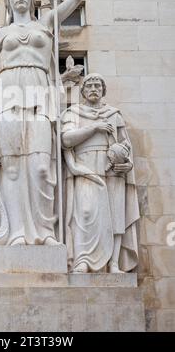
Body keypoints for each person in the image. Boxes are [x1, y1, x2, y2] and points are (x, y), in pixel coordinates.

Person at [0, 0, 82, 247]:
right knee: (10, 167)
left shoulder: (45, 25)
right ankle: (16, 233)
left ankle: (44, 231)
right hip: (6, 94)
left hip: (39, 93)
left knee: (40, 165)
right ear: (8, 1)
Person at [61, 73, 140, 273]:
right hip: (85, 167)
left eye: (97, 85)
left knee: (115, 216)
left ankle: (113, 263)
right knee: (84, 213)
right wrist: (94, 127)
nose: (94, 88)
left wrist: (127, 164)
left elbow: (125, 145)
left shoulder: (114, 114)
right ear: (83, 91)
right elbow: (67, 140)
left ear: (103, 90)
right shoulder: (73, 113)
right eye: (89, 86)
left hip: (112, 168)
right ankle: (83, 259)